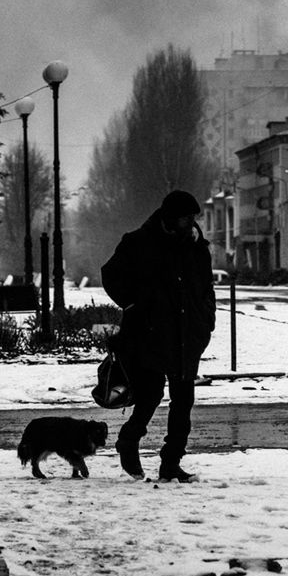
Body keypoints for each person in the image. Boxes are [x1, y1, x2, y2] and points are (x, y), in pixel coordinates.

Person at [101, 189, 216, 481]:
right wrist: (134, 305)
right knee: (150, 394)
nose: (191, 222)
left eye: (193, 217)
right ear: (169, 216)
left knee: (183, 401)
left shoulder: (197, 248)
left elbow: (205, 289)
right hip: (149, 333)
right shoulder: (138, 243)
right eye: (185, 217)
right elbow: (111, 275)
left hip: (187, 334)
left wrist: (206, 321)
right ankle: (129, 439)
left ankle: (171, 463)